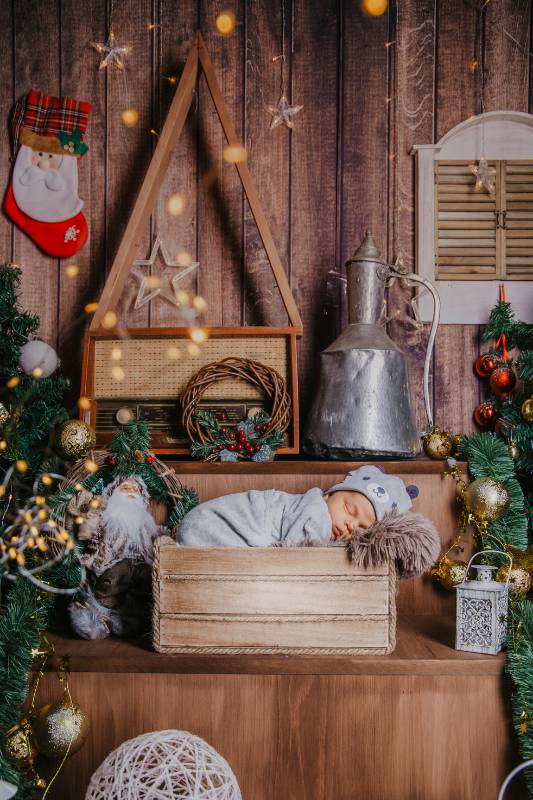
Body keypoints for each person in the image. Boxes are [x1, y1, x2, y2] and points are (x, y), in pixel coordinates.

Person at [177, 465, 419, 548]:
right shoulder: (314, 511)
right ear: (330, 494)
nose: (350, 525)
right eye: (350, 509)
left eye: (362, 527)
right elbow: (300, 559)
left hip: (198, 524)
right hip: (212, 524)